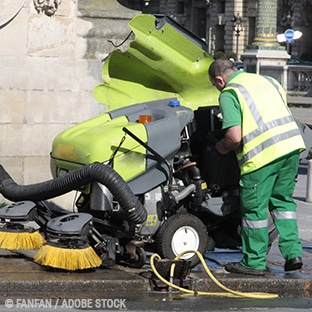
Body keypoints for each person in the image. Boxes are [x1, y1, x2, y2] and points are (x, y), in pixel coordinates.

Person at [208, 58, 306, 276]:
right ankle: (293, 255)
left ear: (219, 80)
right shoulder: (269, 81)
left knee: (255, 212)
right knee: (283, 204)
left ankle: (254, 262)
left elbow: (234, 137)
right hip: (291, 149)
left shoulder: (230, 93)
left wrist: (220, 148)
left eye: (216, 86)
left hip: (262, 158)